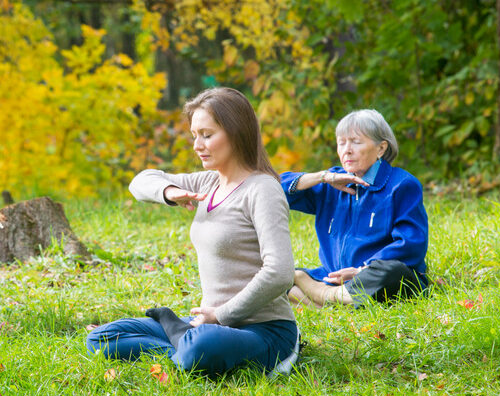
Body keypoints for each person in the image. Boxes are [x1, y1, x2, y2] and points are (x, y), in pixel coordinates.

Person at [86, 87, 300, 376]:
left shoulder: (263, 190)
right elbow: (140, 182)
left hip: (263, 329)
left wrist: (220, 315)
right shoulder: (208, 182)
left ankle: (183, 339)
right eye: (194, 135)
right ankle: (183, 343)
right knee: (101, 339)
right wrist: (170, 191)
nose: (197, 145)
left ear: (236, 132)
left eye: (207, 135)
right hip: (206, 324)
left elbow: (280, 272)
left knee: (205, 346)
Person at [281, 109, 429, 308]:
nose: (346, 150)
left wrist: (361, 271)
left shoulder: (402, 185)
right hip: (333, 277)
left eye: (356, 142)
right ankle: (339, 300)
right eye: (341, 143)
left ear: (381, 148)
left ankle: (322, 298)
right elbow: (274, 188)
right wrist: (323, 177)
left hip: (374, 277)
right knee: (277, 280)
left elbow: (411, 244)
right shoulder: (331, 183)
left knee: (393, 273)